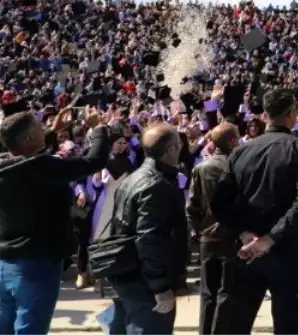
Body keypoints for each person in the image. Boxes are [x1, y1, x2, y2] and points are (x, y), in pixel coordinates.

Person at [211, 89, 298, 335]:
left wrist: (245, 233)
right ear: (292, 114)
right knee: (287, 327)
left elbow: (219, 204)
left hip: (249, 250)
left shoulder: (241, 151)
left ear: (266, 116)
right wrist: (268, 239)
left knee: (238, 324)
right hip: (285, 251)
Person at [0, 107, 110, 335]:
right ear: (30, 138)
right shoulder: (45, 168)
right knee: (30, 328)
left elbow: (28, 156)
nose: (44, 128)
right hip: (37, 263)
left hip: (5, 262)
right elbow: (94, 161)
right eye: (40, 127)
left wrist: (51, 132)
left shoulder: (6, 164)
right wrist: (98, 127)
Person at [107, 124, 189, 335]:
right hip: (144, 283)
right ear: (170, 149)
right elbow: (149, 238)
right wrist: (160, 287)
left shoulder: (134, 177)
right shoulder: (155, 185)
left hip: (128, 275)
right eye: (178, 145)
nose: (181, 149)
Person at [187, 123, 239, 335]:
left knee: (207, 293)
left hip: (207, 239)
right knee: (226, 292)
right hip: (230, 238)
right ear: (231, 141)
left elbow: (192, 205)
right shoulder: (237, 167)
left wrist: (196, 232)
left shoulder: (201, 167)